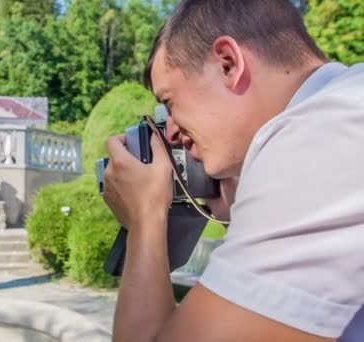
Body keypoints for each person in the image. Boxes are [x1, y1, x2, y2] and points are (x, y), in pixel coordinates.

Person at [102, 1, 364, 341]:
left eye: (169, 104)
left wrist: (145, 216)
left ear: (228, 63)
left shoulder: (322, 136)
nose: (170, 134)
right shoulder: (344, 107)